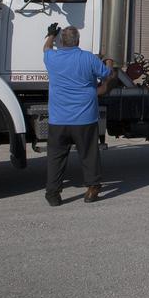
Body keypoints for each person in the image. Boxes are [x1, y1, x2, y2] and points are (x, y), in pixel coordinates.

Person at [42, 24, 114, 206]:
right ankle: (92, 189)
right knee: (89, 154)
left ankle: (53, 194)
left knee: (55, 157)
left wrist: (51, 35)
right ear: (78, 41)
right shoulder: (88, 58)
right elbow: (107, 74)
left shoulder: (52, 58)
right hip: (85, 118)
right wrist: (109, 60)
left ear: (62, 42)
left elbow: (46, 48)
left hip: (58, 119)